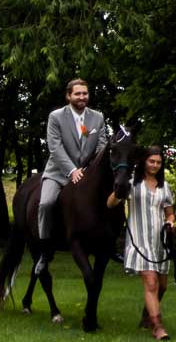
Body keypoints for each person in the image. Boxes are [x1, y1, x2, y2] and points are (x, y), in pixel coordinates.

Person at [34, 77, 108, 275]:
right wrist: (71, 170)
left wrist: (89, 169)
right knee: (46, 204)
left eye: (85, 93)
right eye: (77, 93)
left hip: (86, 173)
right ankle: (44, 251)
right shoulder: (56, 117)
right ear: (69, 96)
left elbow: (102, 146)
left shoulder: (97, 117)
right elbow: (55, 147)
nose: (82, 97)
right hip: (59, 172)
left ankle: (109, 244)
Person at [108, 145, 176, 342]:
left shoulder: (165, 186)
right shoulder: (131, 183)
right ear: (143, 162)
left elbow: (170, 213)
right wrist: (118, 190)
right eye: (151, 161)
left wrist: (171, 222)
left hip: (159, 242)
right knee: (151, 282)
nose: (155, 165)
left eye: (158, 162)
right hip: (139, 240)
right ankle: (158, 327)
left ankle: (146, 316)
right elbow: (110, 204)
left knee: (162, 285)